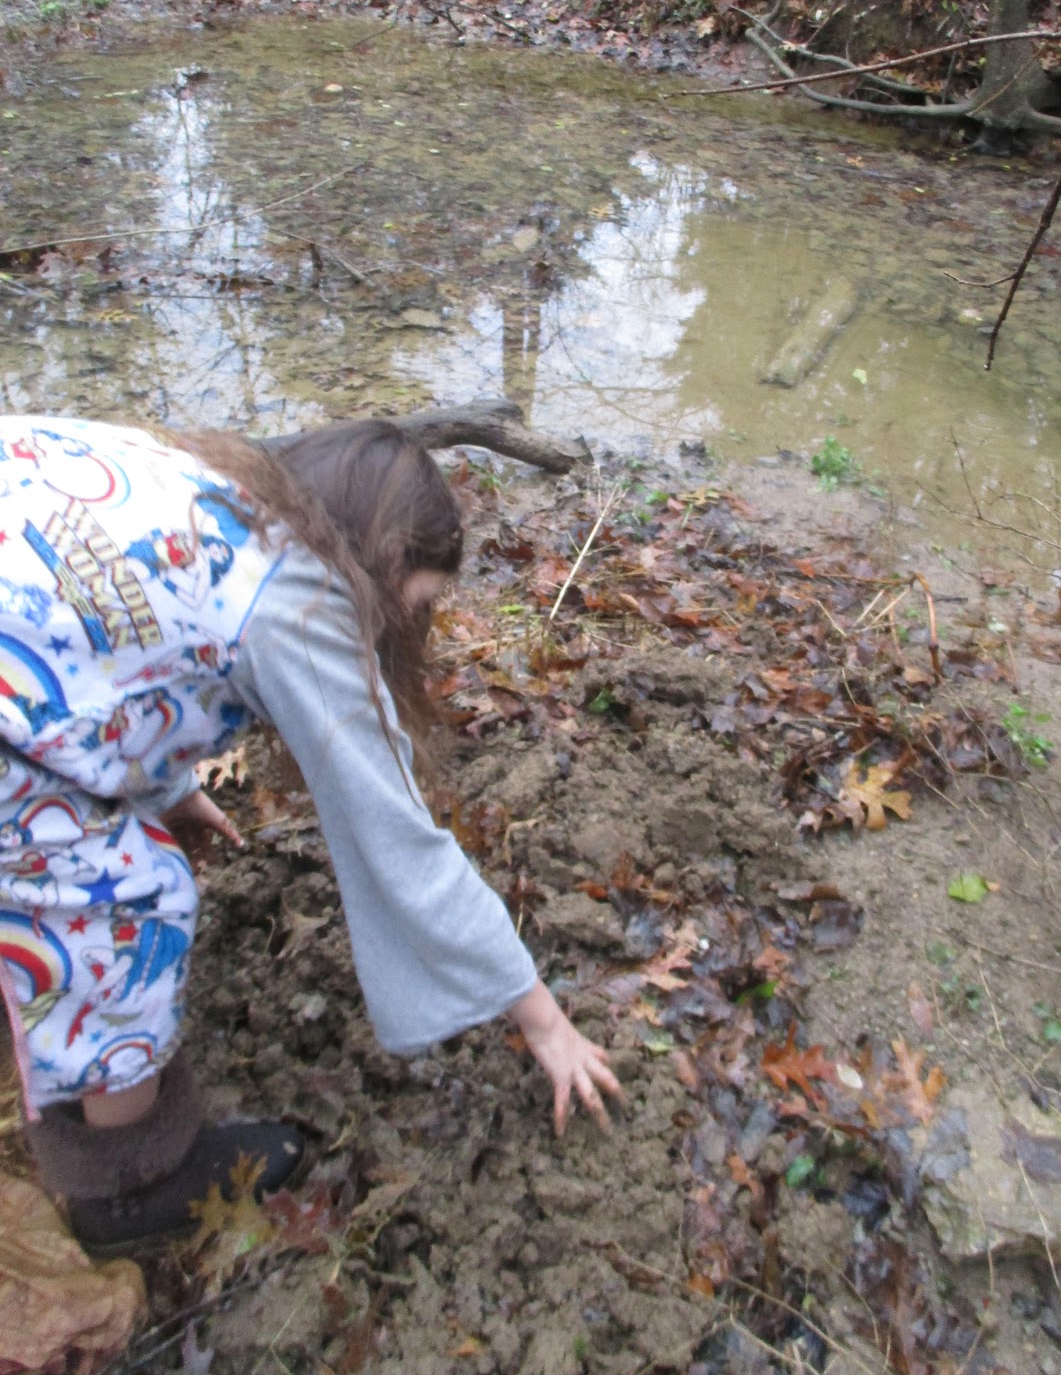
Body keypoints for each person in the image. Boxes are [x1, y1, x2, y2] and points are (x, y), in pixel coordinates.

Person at [0, 414, 622, 1251]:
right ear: (390, 560)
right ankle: (129, 1182)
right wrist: (543, 1020)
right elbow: (399, 845)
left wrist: (168, 783)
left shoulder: (210, 486)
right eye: (424, 602)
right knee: (128, 896)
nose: (415, 624)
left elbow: (92, 636)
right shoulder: (301, 608)